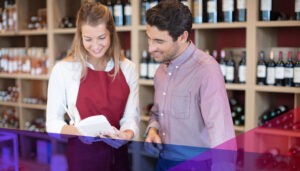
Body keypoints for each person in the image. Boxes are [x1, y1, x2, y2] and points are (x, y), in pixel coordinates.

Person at [46, 1, 139, 171]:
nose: (95, 46)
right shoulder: (64, 70)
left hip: (119, 157)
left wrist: (126, 134)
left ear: (111, 33)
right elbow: (52, 122)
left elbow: (131, 118)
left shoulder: (128, 68)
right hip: (82, 158)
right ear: (80, 36)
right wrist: (79, 133)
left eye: (101, 38)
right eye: (88, 39)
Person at [144, 0, 236, 170]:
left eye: (159, 41)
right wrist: (152, 130)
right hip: (163, 162)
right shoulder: (160, 72)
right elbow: (157, 112)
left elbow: (221, 131)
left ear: (182, 36)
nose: (151, 48)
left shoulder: (206, 70)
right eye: (149, 39)